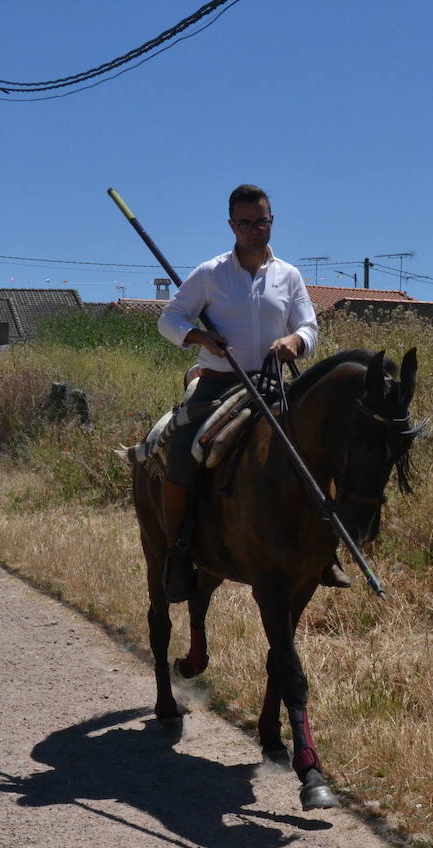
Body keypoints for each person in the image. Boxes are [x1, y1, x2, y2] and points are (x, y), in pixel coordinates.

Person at [154, 183, 323, 602]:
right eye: (245, 223)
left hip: (271, 385)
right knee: (180, 451)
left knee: (320, 450)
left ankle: (324, 549)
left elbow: (309, 327)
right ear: (231, 225)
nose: (254, 230)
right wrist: (198, 337)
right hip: (217, 385)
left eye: (261, 221)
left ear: (272, 221)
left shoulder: (290, 276)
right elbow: (169, 318)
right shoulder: (210, 274)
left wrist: (295, 343)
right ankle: (178, 550)